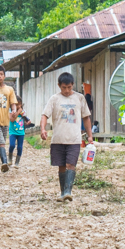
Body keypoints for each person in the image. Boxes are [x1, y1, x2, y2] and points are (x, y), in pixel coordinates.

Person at [40, 72, 93, 202]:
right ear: (59, 86)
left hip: (74, 139)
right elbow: (45, 115)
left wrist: (90, 136)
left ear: (72, 85)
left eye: (69, 87)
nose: (67, 90)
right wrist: (43, 129)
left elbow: (86, 117)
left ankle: (68, 191)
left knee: (71, 164)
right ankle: (63, 192)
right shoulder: (54, 99)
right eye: (64, 87)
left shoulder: (79, 98)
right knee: (61, 166)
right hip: (58, 139)